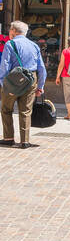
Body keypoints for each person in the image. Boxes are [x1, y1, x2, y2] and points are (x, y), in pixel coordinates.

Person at [0, 19, 47, 149]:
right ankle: (24, 141)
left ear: (14, 31)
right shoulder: (34, 45)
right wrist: (40, 86)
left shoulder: (10, 44)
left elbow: (4, 66)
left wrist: (3, 83)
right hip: (31, 79)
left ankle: (9, 138)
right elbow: (41, 68)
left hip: (13, 80)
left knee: (6, 109)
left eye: (10, 29)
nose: (9, 32)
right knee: (26, 111)